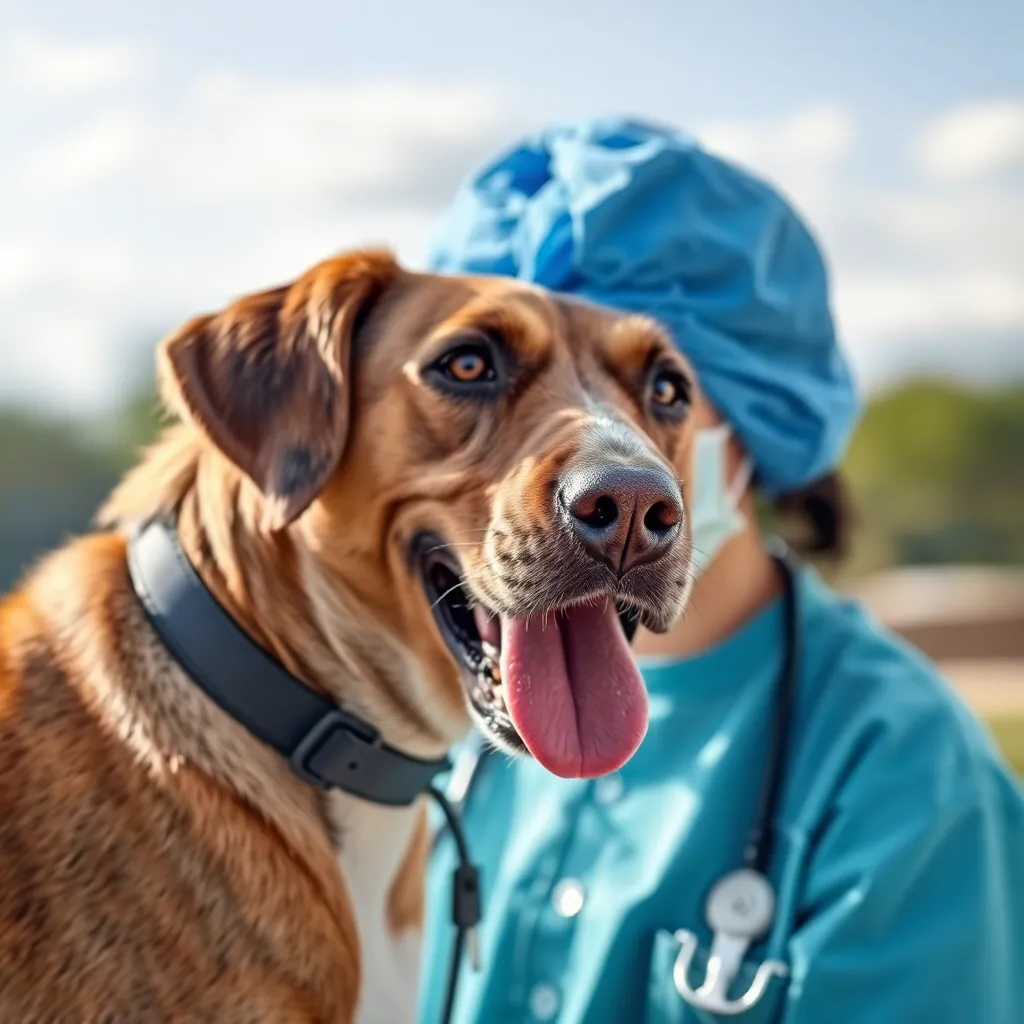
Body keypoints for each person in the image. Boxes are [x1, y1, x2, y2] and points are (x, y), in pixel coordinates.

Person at [417, 117, 1024, 1024]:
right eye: (501, 377)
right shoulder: (441, 679)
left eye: (652, 388)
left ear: (757, 420)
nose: (579, 451)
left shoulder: (904, 778)